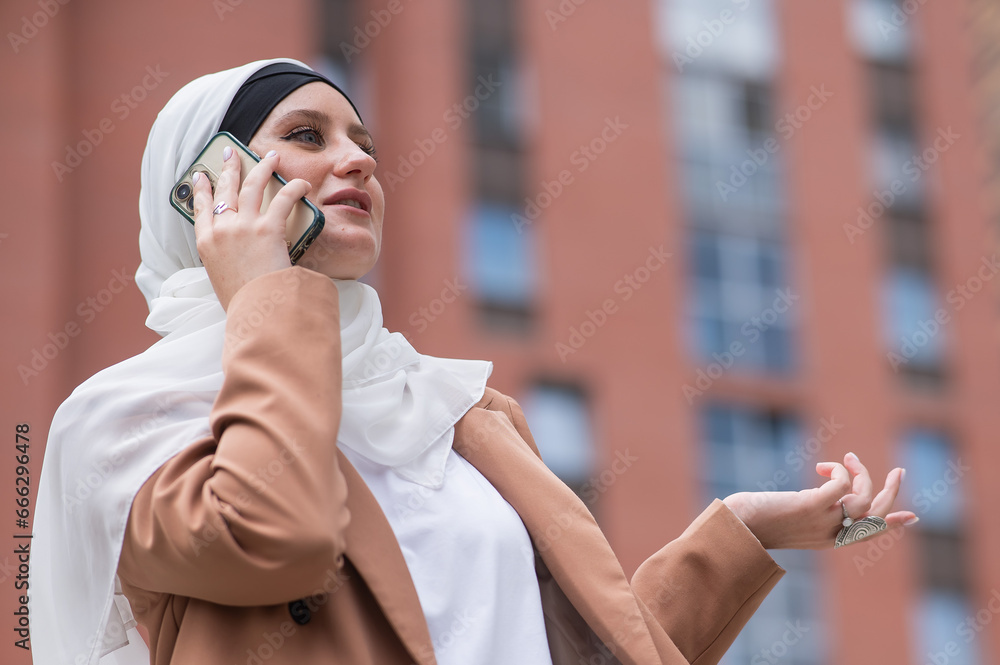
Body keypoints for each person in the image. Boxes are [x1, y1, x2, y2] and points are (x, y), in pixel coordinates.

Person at [30, 58, 917, 665]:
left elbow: (572, 646)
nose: (357, 162)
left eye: (364, 142)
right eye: (306, 134)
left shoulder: (461, 412)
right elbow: (275, 536)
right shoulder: (128, 421)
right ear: (204, 191)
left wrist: (742, 532)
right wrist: (263, 295)